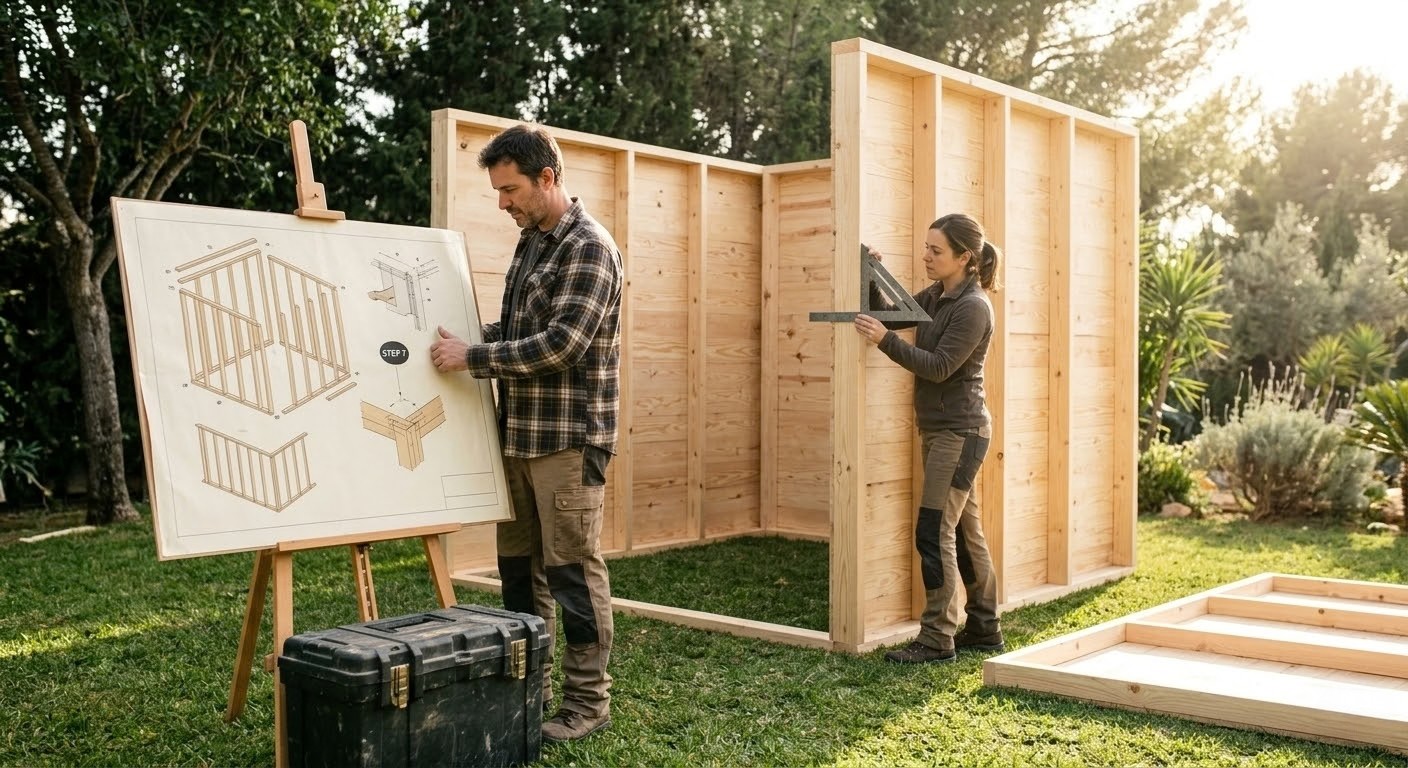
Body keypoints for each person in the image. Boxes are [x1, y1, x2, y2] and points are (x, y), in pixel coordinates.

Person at [430, 123, 622, 740]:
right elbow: (517, 326)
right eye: (497, 191)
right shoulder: (532, 240)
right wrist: (466, 335)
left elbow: (564, 344)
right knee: (518, 571)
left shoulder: (589, 246)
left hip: (567, 439)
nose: (503, 202)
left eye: (511, 189)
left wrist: (474, 358)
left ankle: (588, 703)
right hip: (518, 434)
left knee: (571, 572)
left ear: (548, 178)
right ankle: (527, 690)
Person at [853, 213, 1006, 664]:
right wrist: (870, 272)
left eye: (936, 251)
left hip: (960, 433)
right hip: (943, 431)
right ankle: (984, 625)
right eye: (926, 247)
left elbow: (939, 366)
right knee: (962, 528)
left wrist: (884, 342)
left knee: (933, 528)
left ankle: (938, 637)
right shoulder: (939, 295)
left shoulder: (973, 307)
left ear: (965, 257)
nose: (926, 256)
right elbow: (889, 316)